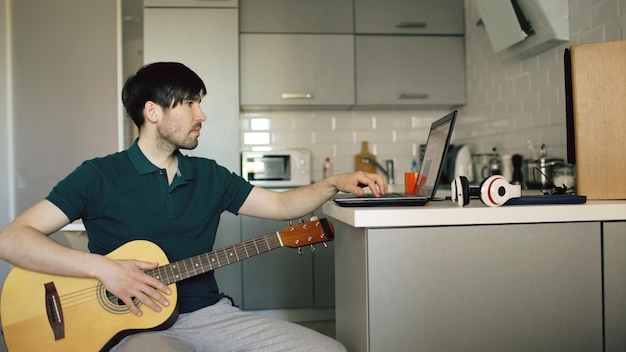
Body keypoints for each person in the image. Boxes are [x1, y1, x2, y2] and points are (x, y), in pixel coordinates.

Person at [0, 62, 387, 351]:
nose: (201, 115)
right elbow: (13, 239)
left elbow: (283, 205)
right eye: (189, 103)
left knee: (329, 350)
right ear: (153, 112)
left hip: (209, 315)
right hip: (135, 327)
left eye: (199, 103)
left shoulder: (209, 176)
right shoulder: (97, 176)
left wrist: (334, 182)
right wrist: (104, 268)